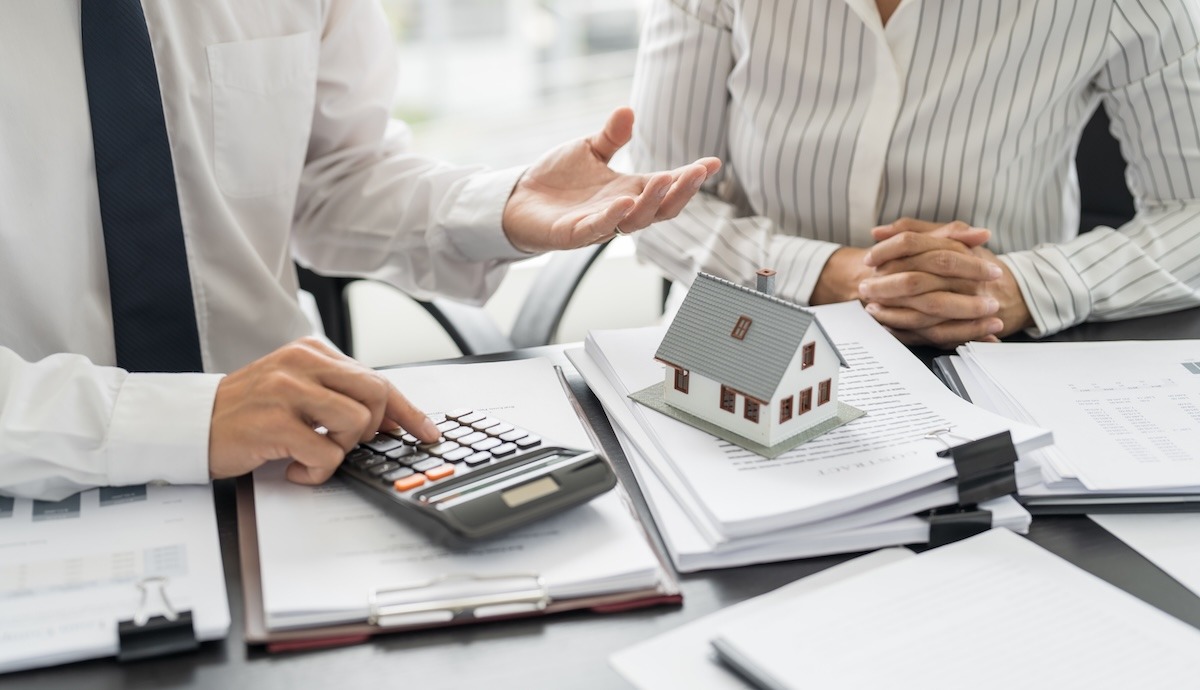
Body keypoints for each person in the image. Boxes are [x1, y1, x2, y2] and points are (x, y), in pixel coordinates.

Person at [0, 1, 720, 500]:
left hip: (294, 457)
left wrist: (497, 208)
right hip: (39, 472)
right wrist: (188, 419)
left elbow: (331, 177)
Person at [629, 0, 1200, 347]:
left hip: (1006, 342)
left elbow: (1192, 214)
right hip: (750, 312)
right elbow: (653, 199)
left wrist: (1026, 286)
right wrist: (828, 274)